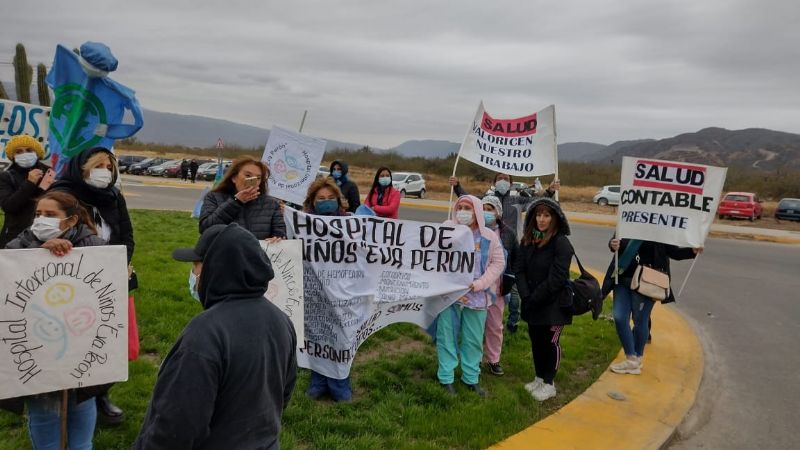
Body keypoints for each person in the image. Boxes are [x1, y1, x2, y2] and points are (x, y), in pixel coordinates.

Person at [134, 223, 297, 449]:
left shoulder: (205, 333)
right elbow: (283, 393)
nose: (193, 274)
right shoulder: (281, 320)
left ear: (216, 268)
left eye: (196, 265)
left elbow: (177, 426)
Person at [0, 191, 106, 450]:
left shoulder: (95, 247)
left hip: (82, 351)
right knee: (45, 414)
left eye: (50, 215)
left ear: (70, 221)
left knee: (81, 416)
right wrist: (39, 254)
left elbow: (108, 288)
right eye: (38, 214)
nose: (41, 220)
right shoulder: (21, 243)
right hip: (37, 350)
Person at [50, 146, 133, 422]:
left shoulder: (114, 196)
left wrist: (118, 264)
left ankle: (99, 395)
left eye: (110, 168)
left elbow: (126, 235)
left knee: (103, 339)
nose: (105, 173)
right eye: (99, 166)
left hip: (107, 280)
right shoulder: (63, 195)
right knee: (72, 338)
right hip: (70, 281)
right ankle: (64, 393)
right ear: (82, 168)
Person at [449, 172, 560, 334]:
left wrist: (550, 191)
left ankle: (513, 321)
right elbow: (467, 199)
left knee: (514, 296)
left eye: (506, 179)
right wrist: (457, 185)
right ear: (495, 182)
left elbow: (536, 203)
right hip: (486, 259)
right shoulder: (486, 200)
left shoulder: (517, 201)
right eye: (499, 178)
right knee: (487, 294)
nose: (502, 181)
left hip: (509, 255)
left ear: (511, 183)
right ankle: (480, 324)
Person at [436, 194, 504, 397]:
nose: (463, 212)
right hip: (450, 295)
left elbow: (498, 263)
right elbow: (432, 252)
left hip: (477, 296)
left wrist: (481, 283)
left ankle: (471, 378)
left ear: (477, 211)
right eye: (460, 207)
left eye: (468, 208)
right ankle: (446, 377)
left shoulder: (489, 236)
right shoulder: (448, 228)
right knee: (446, 336)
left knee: (473, 339)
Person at [602, 237, 701, 375]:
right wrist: (613, 244)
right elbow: (615, 240)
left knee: (640, 320)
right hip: (621, 278)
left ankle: (636, 358)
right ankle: (632, 359)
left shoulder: (660, 229)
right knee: (619, 317)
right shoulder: (628, 219)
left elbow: (674, 252)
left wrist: (692, 251)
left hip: (648, 283)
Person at [515, 197, 574, 401]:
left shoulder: (561, 243)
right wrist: (525, 295)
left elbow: (557, 278)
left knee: (550, 343)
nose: (541, 219)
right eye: (538, 214)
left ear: (554, 218)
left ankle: (549, 383)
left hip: (554, 305)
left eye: (546, 215)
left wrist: (535, 297)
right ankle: (539, 378)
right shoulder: (528, 240)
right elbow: (519, 269)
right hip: (531, 303)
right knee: (536, 342)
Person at [302, 177, 354, 402]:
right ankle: (319, 380)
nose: (326, 202)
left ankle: (340, 382)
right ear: (312, 202)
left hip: (343, 292)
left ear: (338, 200)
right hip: (314, 291)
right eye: (321, 199)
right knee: (316, 334)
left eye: (331, 198)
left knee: (341, 338)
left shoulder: (351, 223)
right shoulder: (303, 223)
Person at [199, 156, 286, 240]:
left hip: (257, 253)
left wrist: (278, 237)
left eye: (258, 178)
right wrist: (236, 202)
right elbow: (205, 228)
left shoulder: (271, 204)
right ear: (234, 178)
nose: (253, 180)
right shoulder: (214, 197)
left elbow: (280, 233)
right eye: (248, 175)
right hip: (224, 252)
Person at [481, 195, 518, 376]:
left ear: (498, 213)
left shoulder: (508, 234)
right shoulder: (472, 230)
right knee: (474, 324)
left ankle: (493, 359)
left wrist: (510, 279)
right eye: (484, 208)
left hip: (497, 288)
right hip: (476, 287)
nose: (486, 213)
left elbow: (516, 258)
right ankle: (471, 358)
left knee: (495, 325)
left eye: (490, 209)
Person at [0, 135, 56, 247]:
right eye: (19, 152)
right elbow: (8, 206)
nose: (24, 154)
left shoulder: (50, 173)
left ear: (37, 153)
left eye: (29, 150)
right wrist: (30, 183)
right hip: (15, 235)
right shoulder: (6, 176)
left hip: (47, 234)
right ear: (13, 156)